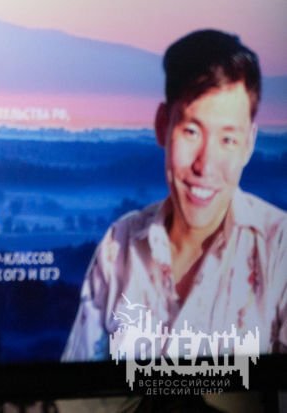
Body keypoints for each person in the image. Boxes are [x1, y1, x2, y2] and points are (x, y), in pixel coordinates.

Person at [64, 29, 287, 360]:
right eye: (191, 131)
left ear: (249, 144)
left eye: (228, 140)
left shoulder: (279, 249)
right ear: (162, 125)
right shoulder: (118, 247)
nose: (205, 165)